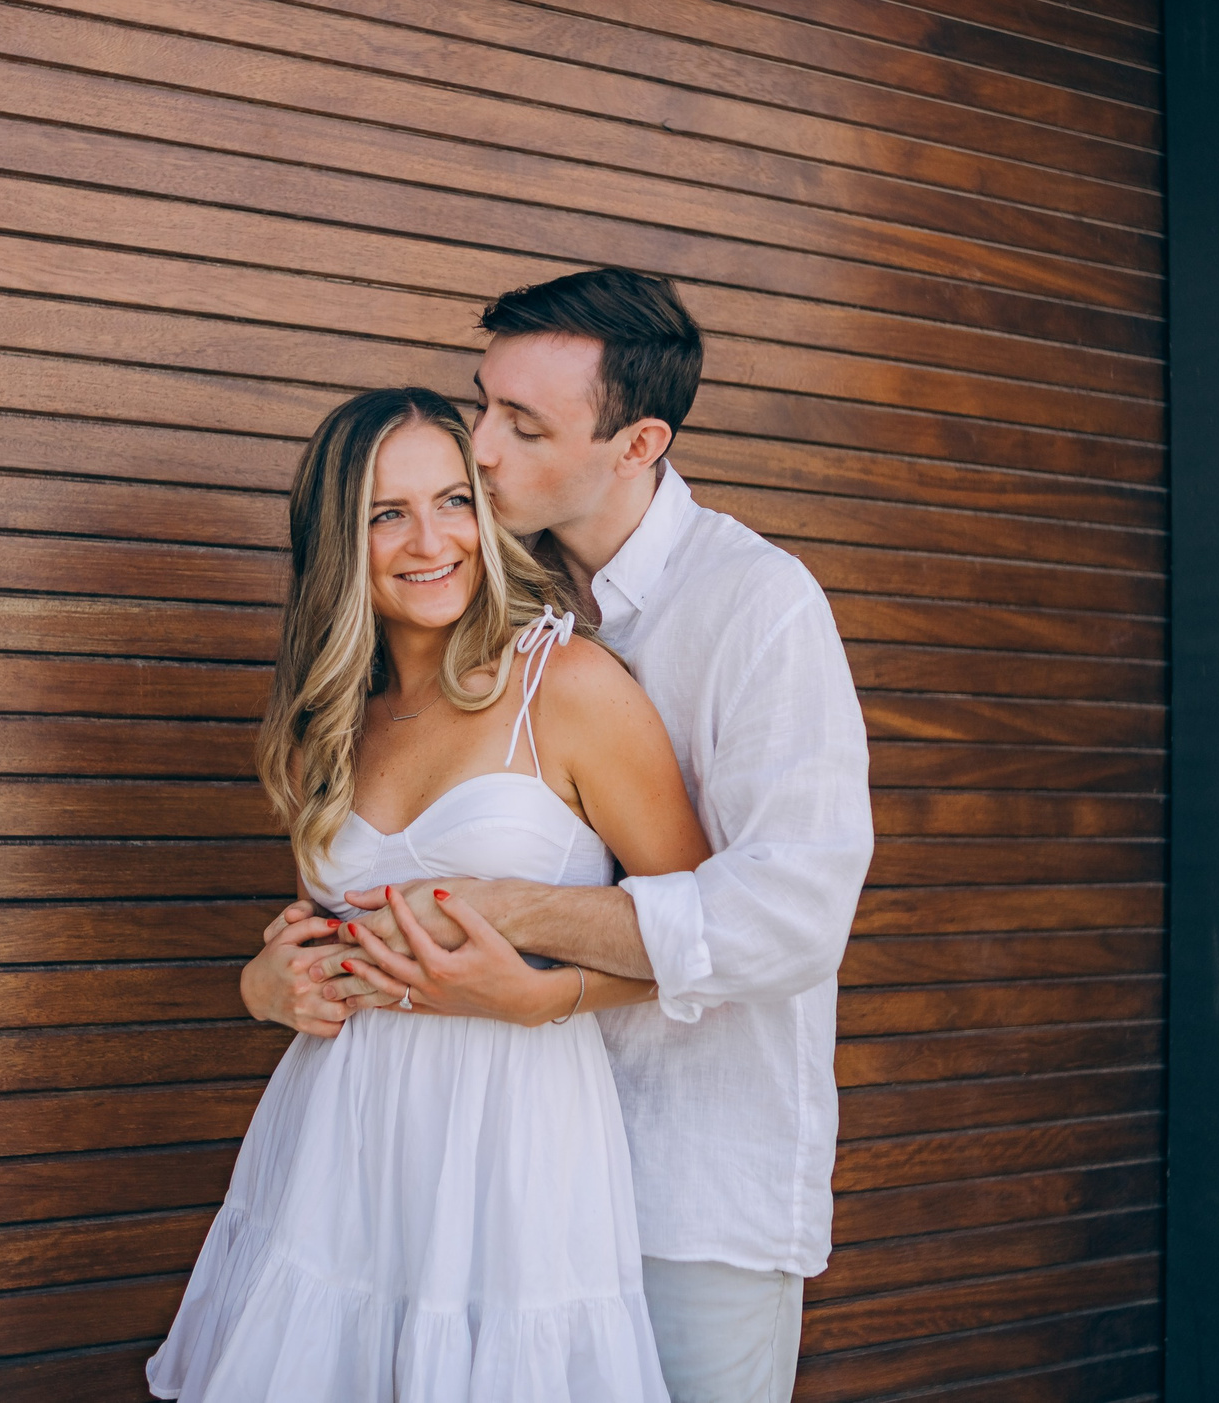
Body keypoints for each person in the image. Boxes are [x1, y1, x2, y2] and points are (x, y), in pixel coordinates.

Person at [246, 269, 873, 1403]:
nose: (479, 449)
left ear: (637, 445)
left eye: (522, 426)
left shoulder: (755, 605)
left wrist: (522, 939)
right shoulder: (479, 593)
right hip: (453, 1183)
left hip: (684, 1178)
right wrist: (274, 977)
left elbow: (792, 915)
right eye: (481, 403)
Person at [150, 386, 716, 1402]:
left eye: (454, 500)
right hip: (340, 1138)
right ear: (340, 540)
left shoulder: (567, 686)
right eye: (387, 513)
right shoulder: (329, 722)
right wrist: (263, 986)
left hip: (515, 1130)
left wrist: (550, 995)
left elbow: (704, 937)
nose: (430, 540)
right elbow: (326, 940)